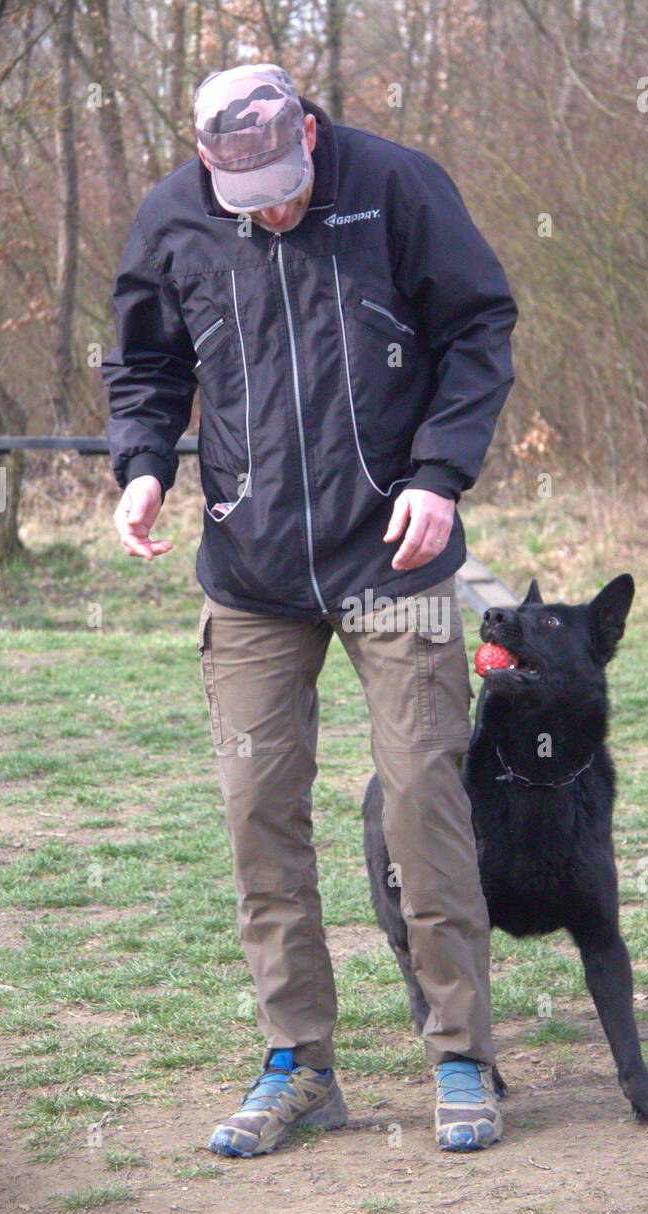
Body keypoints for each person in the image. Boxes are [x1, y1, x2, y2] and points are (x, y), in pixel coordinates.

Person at [104, 62, 517, 1156]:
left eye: (288, 186)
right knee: (257, 807)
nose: (275, 209)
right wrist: (142, 466)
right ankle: (300, 1062)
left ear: (311, 137)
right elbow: (144, 365)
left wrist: (440, 472)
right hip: (249, 569)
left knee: (423, 798)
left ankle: (463, 1050)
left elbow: (478, 329)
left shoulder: (397, 185)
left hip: (398, 551)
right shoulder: (170, 219)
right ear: (206, 164)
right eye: (252, 198)